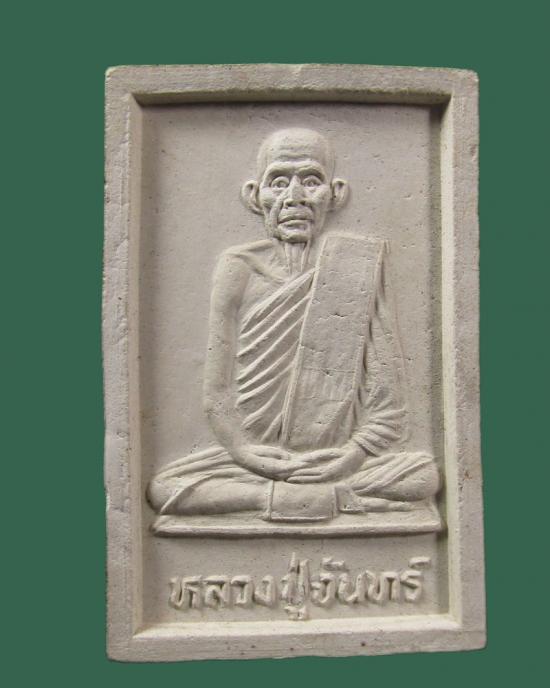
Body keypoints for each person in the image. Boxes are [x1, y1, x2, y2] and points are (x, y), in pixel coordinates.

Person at [147, 128, 440, 521]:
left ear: (336, 194)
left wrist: (352, 456)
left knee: (424, 476)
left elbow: (390, 398)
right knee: (163, 487)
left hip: (338, 458)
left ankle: (297, 495)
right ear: (255, 196)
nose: (295, 197)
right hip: (256, 460)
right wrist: (245, 452)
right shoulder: (238, 267)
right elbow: (216, 393)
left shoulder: (358, 264)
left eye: (312, 181)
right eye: (279, 182)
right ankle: (310, 498)